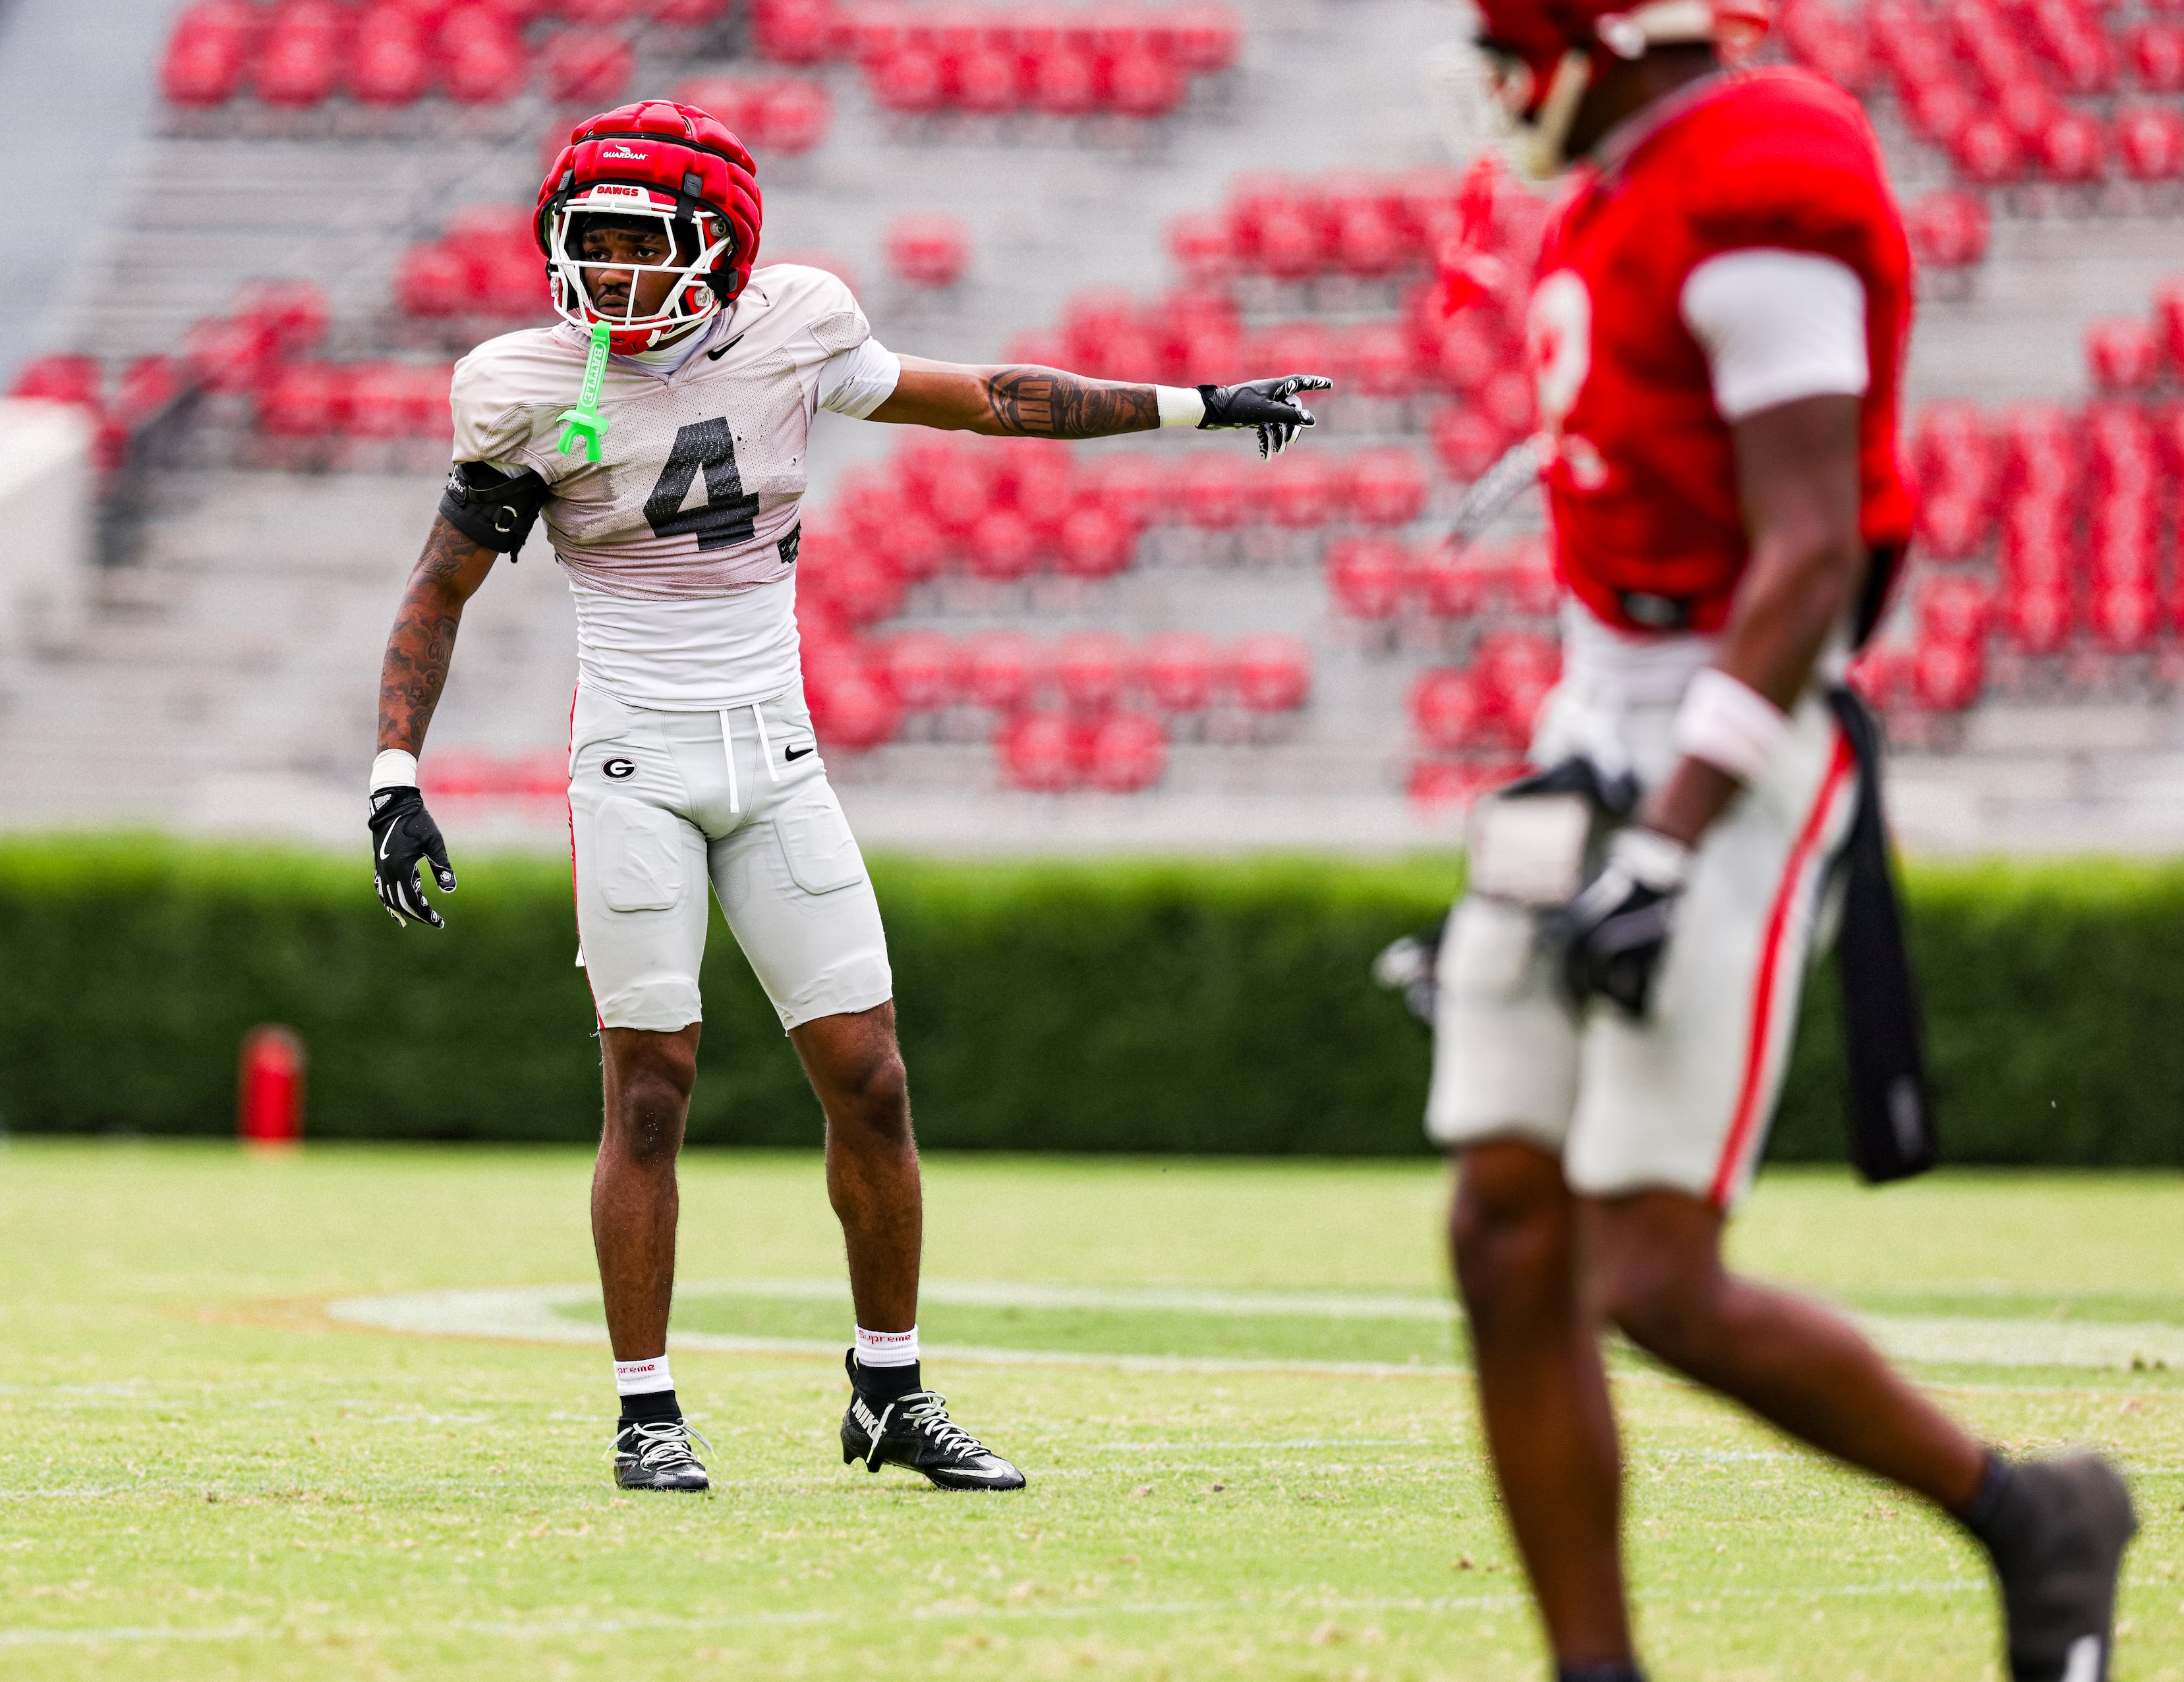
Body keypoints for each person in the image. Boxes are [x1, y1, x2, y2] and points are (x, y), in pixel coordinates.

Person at [367, 100, 1327, 1494]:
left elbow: (988, 398)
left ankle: (889, 1388)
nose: (612, 276)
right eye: (595, 244)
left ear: (722, 248)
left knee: (872, 1080)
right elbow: (436, 590)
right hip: (633, 759)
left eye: (644, 244)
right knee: (648, 1091)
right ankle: (647, 1410)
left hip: (778, 754)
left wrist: (1192, 404)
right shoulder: (526, 386)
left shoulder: (797, 326)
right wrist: (398, 776)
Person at [1424, 5, 2137, 1679]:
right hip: (1586, 737)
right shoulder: (1623, 185)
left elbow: (1807, 550)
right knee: (1498, 1225)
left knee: (1649, 1268)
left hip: (1726, 740)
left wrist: (1663, 846)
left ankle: (2028, 1512)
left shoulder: (1755, 173)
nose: (1495, 77)